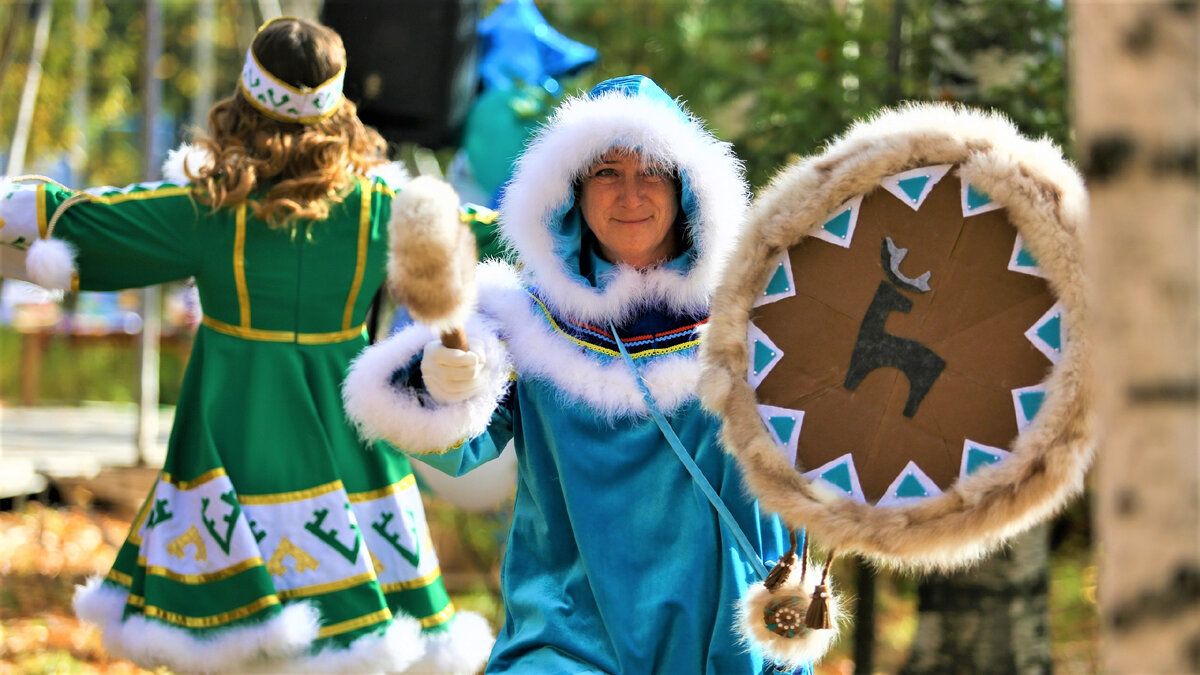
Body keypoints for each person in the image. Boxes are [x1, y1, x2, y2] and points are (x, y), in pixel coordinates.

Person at [0, 17, 491, 674]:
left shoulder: (210, 209)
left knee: (234, 654)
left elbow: (82, 222)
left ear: (244, 102)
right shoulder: (382, 208)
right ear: (339, 108)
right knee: (356, 649)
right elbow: (493, 240)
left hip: (232, 456)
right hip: (349, 463)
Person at [345, 75, 805, 673]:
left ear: (688, 187)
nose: (630, 194)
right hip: (568, 641)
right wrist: (445, 380)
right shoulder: (521, 321)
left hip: (729, 643)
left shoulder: (764, 313)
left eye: (652, 172)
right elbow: (459, 448)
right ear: (572, 193)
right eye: (607, 172)